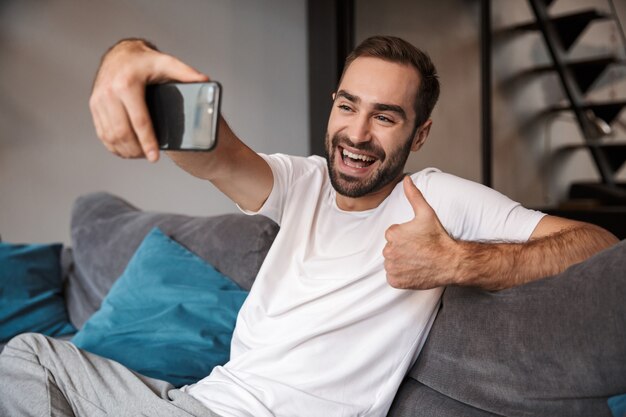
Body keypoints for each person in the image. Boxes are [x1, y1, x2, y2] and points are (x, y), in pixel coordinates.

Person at [0, 36, 618, 417]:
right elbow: (215, 155)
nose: (356, 133)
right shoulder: (302, 182)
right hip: (191, 402)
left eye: (386, 117)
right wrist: (129, 57)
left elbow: (600, 244)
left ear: (419, 134)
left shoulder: (440, 198)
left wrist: (460, 262)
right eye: (347, 105)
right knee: (30, 357)